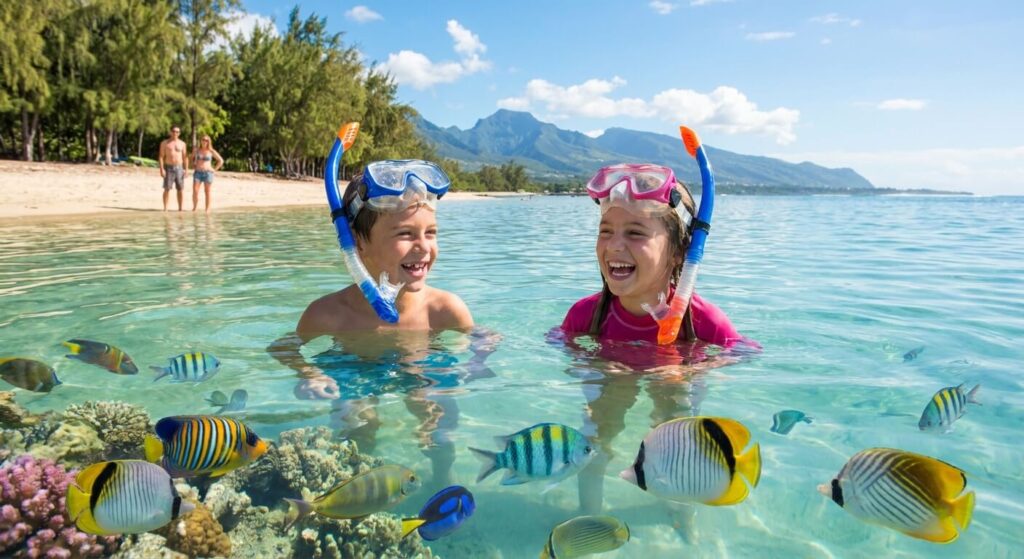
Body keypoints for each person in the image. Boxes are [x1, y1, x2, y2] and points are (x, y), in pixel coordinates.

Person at [268, 159, 495, 489]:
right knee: (359, 423)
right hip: (354, 368)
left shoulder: (443, 309)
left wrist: (476, 362)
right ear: (358, 243)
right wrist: (310, 373)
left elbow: (486, 338)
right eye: (405, 233)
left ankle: (442, 481)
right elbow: (283, 348)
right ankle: (355, 489)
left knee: (437, 417)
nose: (423, 247)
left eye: (430, 232)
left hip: (421, 366)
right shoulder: (331, 313)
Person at [557, 163, 758, 521]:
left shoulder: (704, 322)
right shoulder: (586, 317)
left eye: (635, 233)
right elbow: (562, 346)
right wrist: (597, 365)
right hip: (611, 381)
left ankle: (682, 520)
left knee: (681, 455)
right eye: (606, 231)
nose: (615, 245)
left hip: (675, 389)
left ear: (679, 252)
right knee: (595, 441)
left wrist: (692, 368)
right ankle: (587, 518)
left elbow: (745, 355)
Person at [158, 126, 188, 211]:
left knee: (180, 189)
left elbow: (185, 157)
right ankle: (165, 208)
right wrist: (161, 169)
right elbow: (160, 157)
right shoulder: (165, 143)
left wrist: (186, 170)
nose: (175, 133)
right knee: (167, 188)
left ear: (179, 133)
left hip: (179, 168)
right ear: (170, 132)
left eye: (177, 132)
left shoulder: (182, 144)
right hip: (168, 168)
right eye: (174, 131)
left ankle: (180, 208)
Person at [192, 135, 223, 213]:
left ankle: (207, 209)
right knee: (195, 191)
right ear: (201, 141)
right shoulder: (197, 150)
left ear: (209, 142)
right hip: (198, 172)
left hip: (208, 173)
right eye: (203, 139)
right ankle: (195, 208)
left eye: (206, 140)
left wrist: (214, 170)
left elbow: (221, 161)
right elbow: (191, 158)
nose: (204, 141)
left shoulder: (211, 151)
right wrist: (194, 164)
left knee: (207, 191)